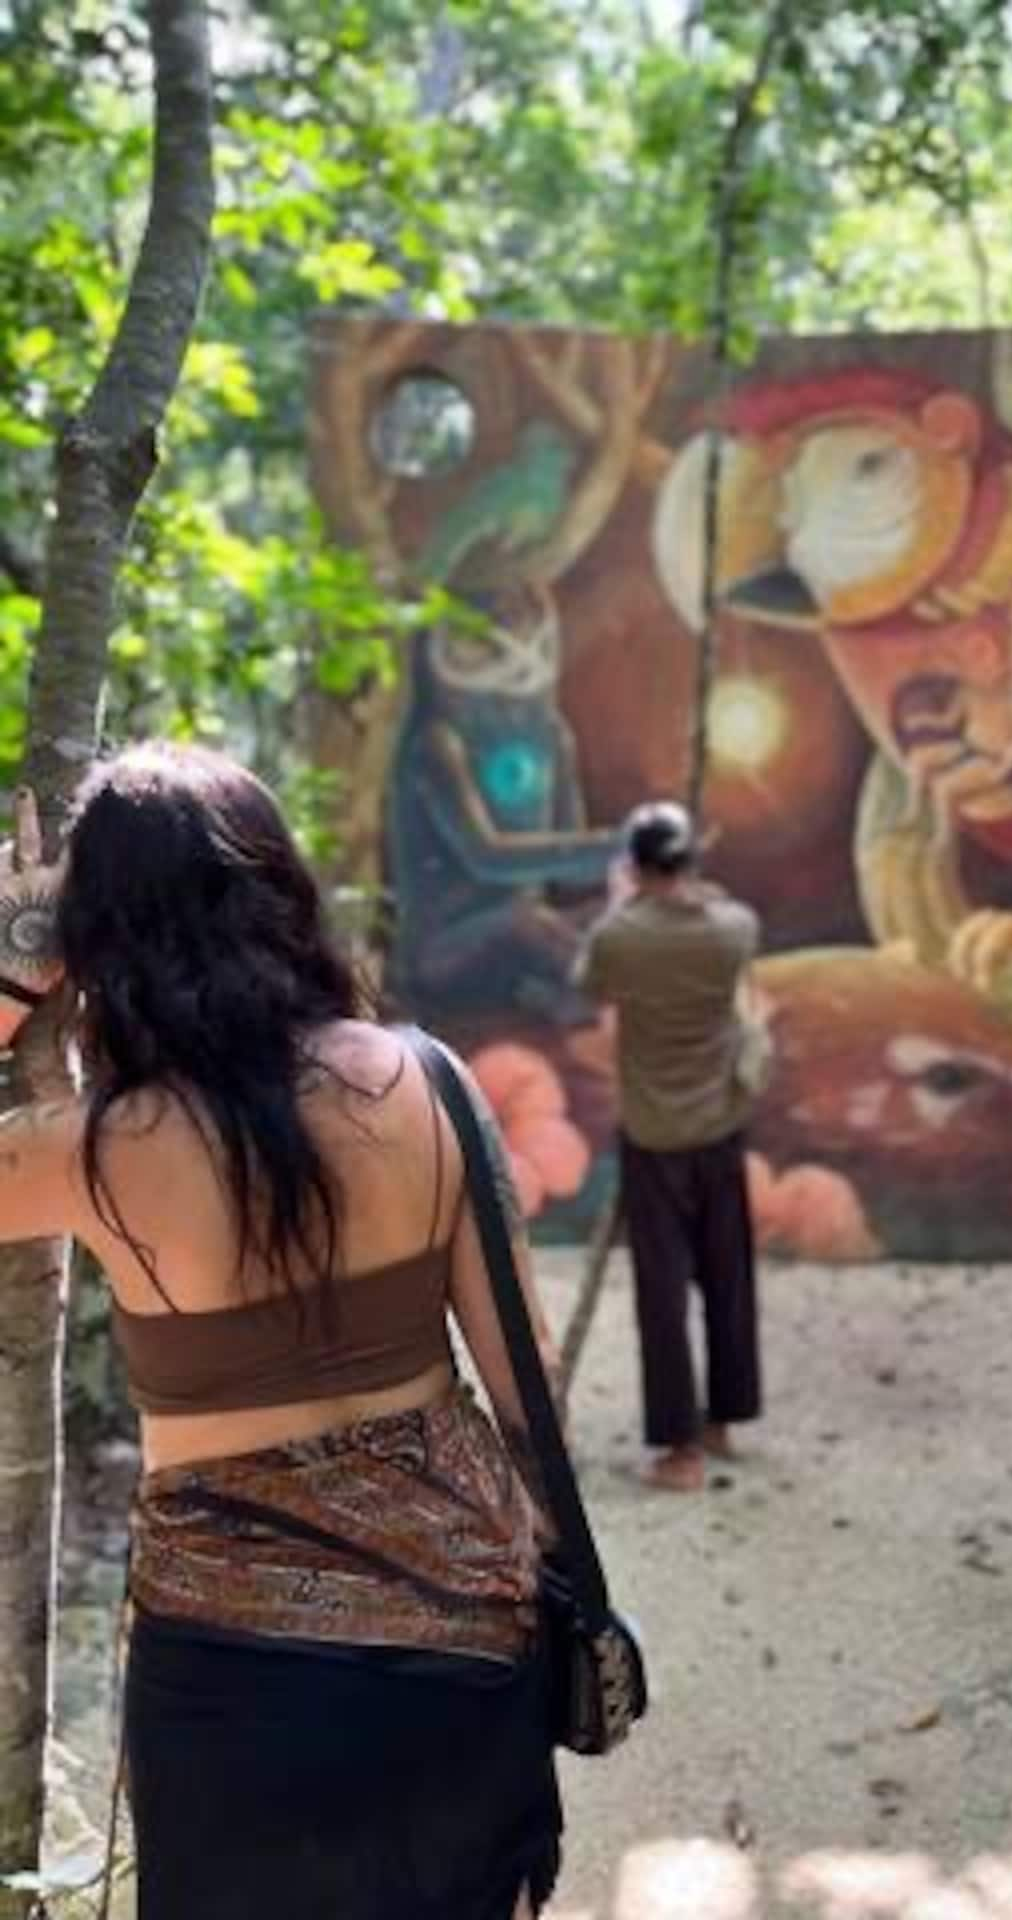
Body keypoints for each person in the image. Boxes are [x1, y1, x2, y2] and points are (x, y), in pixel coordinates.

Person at [0, 745, 566, 1920]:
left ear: (104, 935)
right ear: (279, 891)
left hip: (230, 1685)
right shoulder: (427, 1085)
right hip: (462, 1647)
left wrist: (17, 977)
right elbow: (531, 1397)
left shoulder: (96, 1149)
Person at [575, 801, 763, 1494]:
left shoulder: (619, 937)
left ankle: (680, 1449)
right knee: (728, 1277)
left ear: (634, 862)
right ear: (690, 861)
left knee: (663, 1293)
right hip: (719, 1126)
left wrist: (622, 903)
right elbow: (723, 919)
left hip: (654, 1134)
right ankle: (725, 1421)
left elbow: (587, 985)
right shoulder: (736, 929)